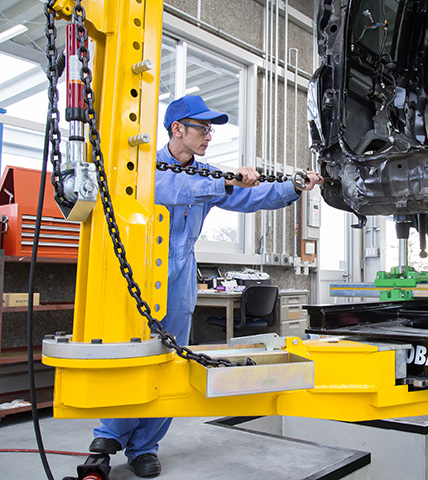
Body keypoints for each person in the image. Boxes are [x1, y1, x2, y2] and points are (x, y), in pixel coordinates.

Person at [87, 95, 323, 477]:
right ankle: (107, 434)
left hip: (180, 274)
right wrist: (223, 181)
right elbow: (168, 191)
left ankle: (145, 447)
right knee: (130, 355)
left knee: (170, 357)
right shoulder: (143, 166)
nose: (209, 136)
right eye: (202, 128)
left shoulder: (208, 174)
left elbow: (253, 196)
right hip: (139, 272)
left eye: (211, 129)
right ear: (177, 129)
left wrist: (295, 187)